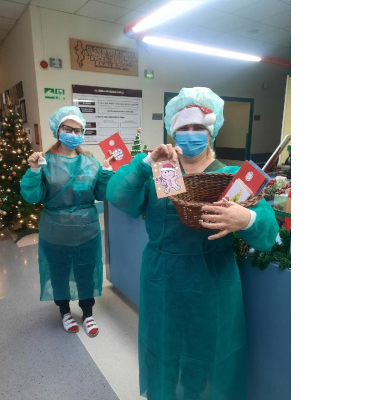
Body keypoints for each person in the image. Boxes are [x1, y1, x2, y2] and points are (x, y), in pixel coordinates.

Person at [106, 87, 279, 399]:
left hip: (211, 284)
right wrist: (146, 163)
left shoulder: (231, 177)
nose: (191, 134)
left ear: (211, 131)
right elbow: (118, 196)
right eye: (183, 128)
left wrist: (247, 219)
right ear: (173, 131)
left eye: (198, 127)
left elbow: (267, 234)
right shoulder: (164, 173)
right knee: (163, 350)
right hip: (162, 281)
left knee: (209, 355)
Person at [20, 106, 114, 337]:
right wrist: (34, 171)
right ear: (58, 130)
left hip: (87, 230)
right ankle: (64, 312)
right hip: (55, 230)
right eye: (68, 129)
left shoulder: (90, 162)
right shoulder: (45, 163)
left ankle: (88, 313)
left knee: (86, 271)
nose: (73, 134)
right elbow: (32, 196)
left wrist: (105, 172)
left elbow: (101, 193)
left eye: (77, 130)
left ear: (83, 133)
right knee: (59, 272)